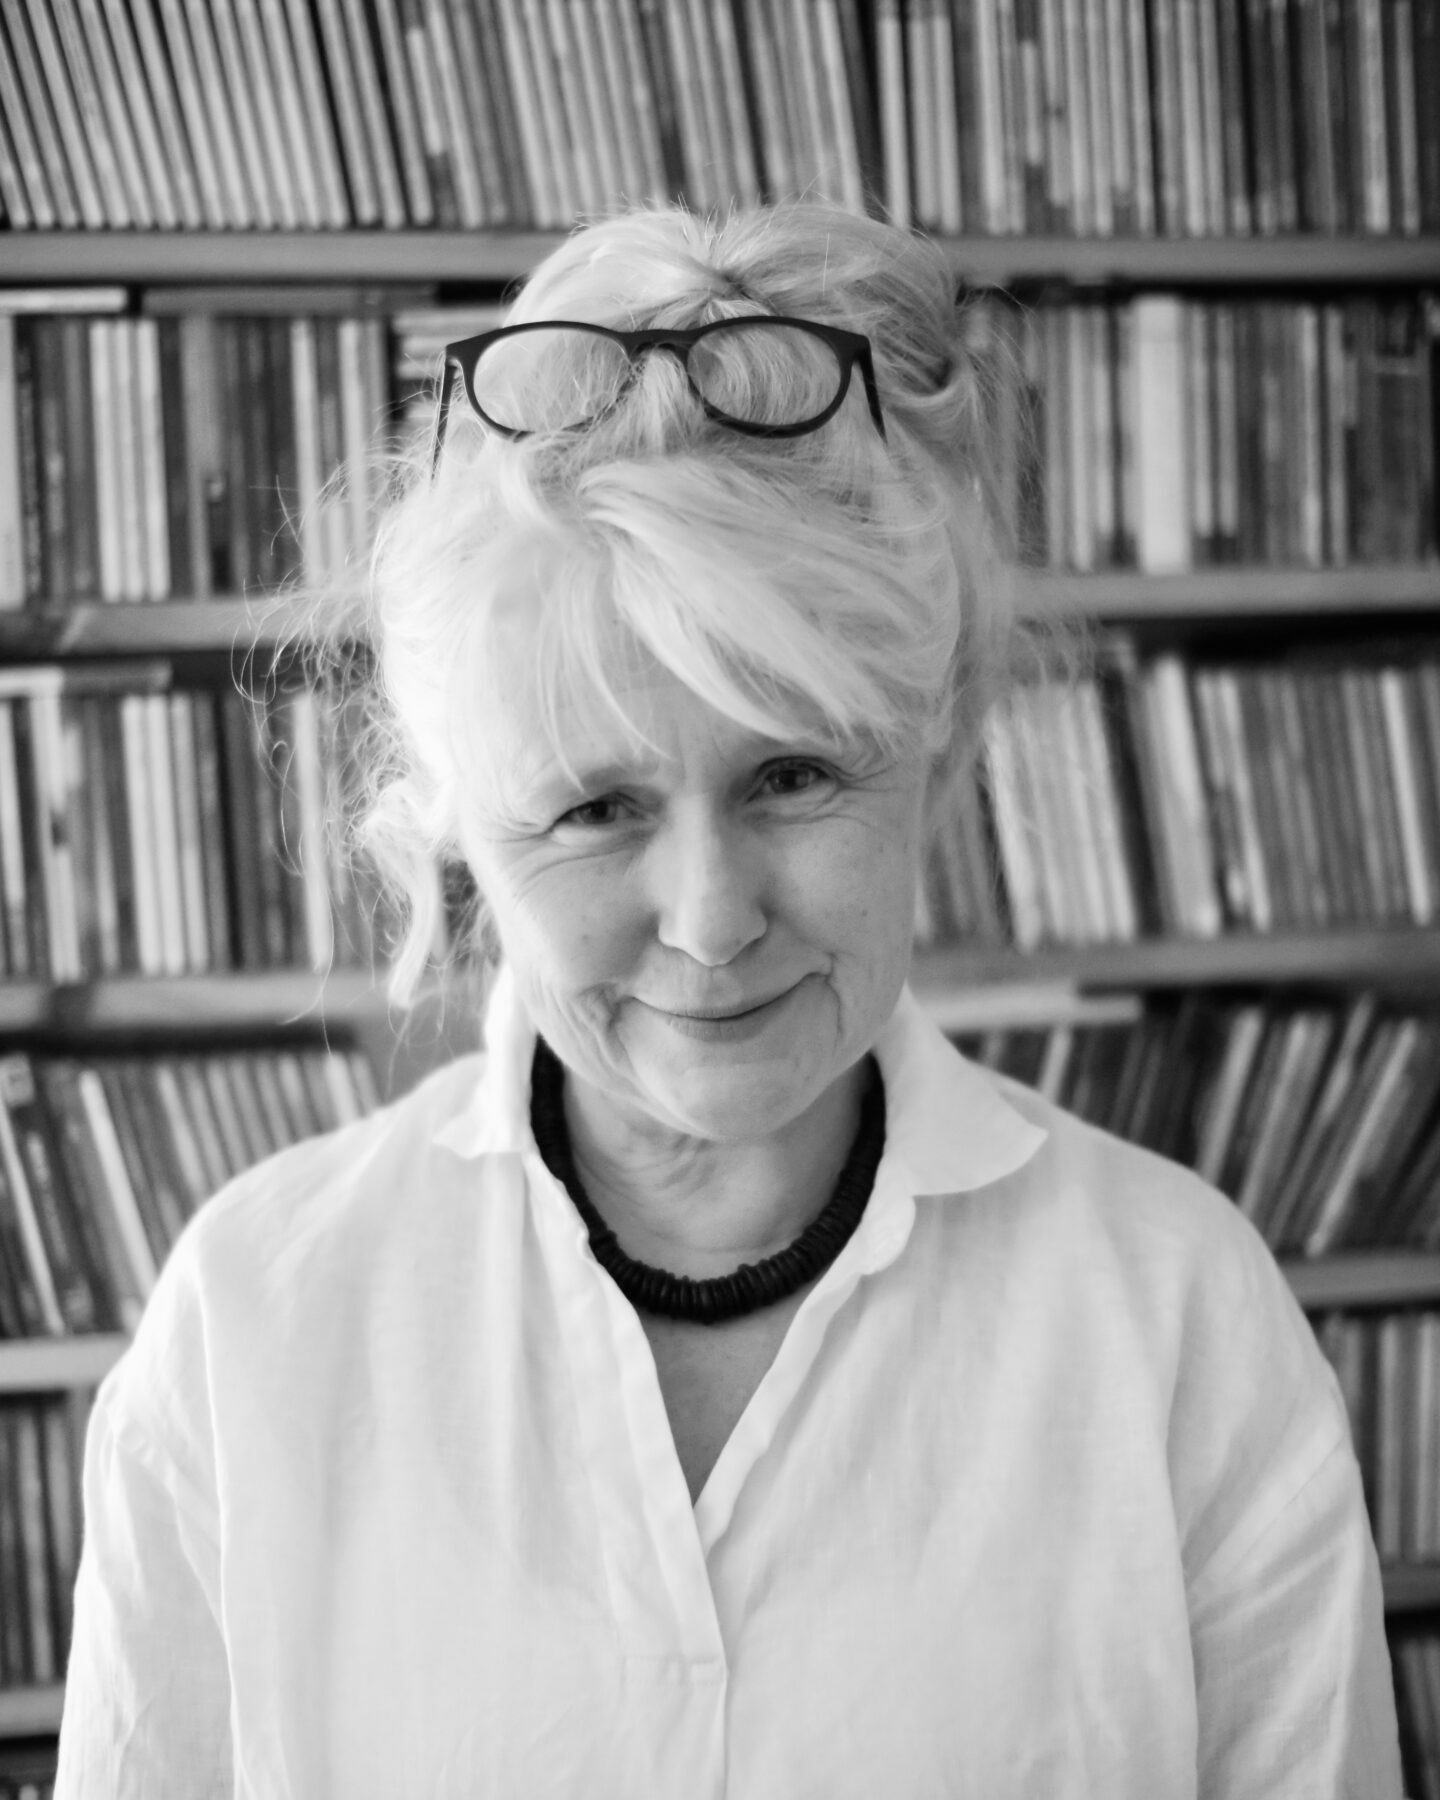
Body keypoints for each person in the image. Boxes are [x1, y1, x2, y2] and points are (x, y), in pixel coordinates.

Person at [55, 201, 1402, 1799]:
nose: (709, 921)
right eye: (596, 808)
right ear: (464, 841)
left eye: (793, 773)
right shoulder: (256, 1325)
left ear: (942, 761)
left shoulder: (1183, 1322)